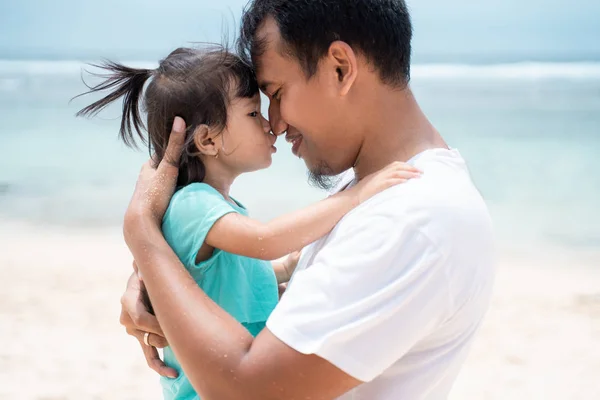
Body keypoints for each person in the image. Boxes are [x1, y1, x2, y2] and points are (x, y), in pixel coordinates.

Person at [120, 0, 496, 399]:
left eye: (277, 93)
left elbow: (248, 389)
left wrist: (144, 235)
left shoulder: (414, 218)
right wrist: (161, 281)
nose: (276, 123)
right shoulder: (368, 191)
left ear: (340, 68)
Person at [77, 47, 420, 400]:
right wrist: (355, 196)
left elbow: (234, 282)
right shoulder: (192, 204)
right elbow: (267, 239)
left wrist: (288, 267)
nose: (270, 124)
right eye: (253, 112)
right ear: (208, 140)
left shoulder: (218, 206)